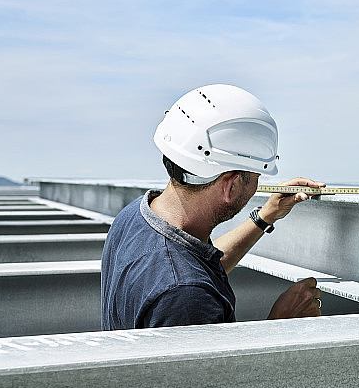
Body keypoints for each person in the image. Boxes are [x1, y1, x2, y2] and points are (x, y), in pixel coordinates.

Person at [101, 84, 325, 330]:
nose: (257, 188)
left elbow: (194, 265)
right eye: (256, 177)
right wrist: (279, 325)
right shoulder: (185, 297)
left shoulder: (136, 215)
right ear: (230, 186)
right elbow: (215, 369)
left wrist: (264, 217)